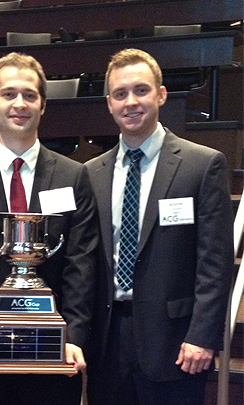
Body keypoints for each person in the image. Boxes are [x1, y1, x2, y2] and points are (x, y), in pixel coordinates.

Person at [0, 52, 99, 405]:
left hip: (53, 351)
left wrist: (72, 336)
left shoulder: (74, 176)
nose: (20, 104)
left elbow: (81, 263)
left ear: (43, 104)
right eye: (9, 94)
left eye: (30, 95)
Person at [85, 48, 235, 405]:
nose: (131, 102)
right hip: (107, 340)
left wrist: (203, 335)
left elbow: (215, 262)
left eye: (141, 90)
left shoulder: (202, 165)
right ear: (109, 103)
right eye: (120, 94)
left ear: (161, 95)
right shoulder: (91, 173)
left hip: (175, 342)